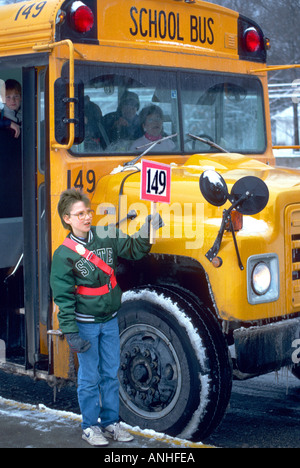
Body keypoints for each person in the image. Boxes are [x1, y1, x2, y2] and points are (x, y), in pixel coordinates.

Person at [50, 188, 163, 446]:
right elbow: (63, 298)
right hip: (86, 325)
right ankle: (90, 426)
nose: (87, 217)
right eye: (80, 214)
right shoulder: (63, 255)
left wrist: (148, 229)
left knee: (111, 373)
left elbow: (135, 249)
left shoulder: (105, 234)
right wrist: (71, 333)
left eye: (88, 212)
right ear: (67, 218)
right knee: (90, 378)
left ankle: (111, 423)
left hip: (110, 320)